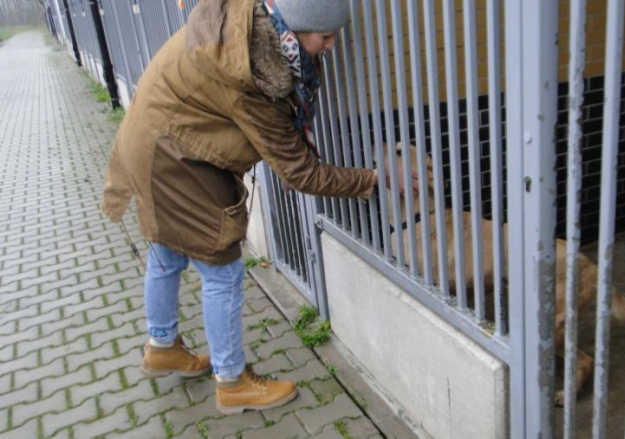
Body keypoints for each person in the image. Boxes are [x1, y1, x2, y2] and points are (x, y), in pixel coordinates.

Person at [101, 0, 405, 414]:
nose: (332, 47)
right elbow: (300, 173)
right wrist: (371, 179)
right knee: (221, 266)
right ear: (296, 28)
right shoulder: (258, 74)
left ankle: (163, 346)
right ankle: (232, 381)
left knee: (167, 250)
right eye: (326, 37)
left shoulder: (252, 22)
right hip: (173, 155)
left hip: (152, 134)